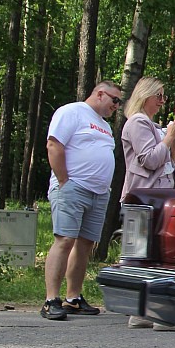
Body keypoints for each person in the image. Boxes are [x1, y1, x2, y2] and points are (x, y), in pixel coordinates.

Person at [41, 81, 121, 321]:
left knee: (85, 245)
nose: (116, 106)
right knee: (65, 239)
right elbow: (54, 144)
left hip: (98, 193)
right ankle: (50, 300)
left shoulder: (104, 126)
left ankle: (73, 298)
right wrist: (64, 181)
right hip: (73, 188)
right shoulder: (71, 112)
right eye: (114, 100)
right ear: (99, 93)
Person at [120, 78, 175, 330]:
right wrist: (168, 138)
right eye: (159, 96)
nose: (163, 101)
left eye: (164, 96)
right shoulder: (138, 122)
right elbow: (149, 160)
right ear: (145, 96)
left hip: (154, 196)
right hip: (147, 197)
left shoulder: (150, 124)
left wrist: (173, 140)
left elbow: (167, 162)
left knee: (149, 255)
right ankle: (162, 314)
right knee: (160, 255)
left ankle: (142, 311)